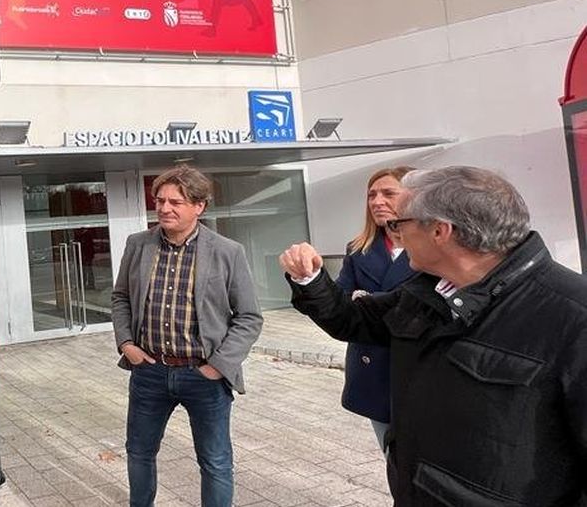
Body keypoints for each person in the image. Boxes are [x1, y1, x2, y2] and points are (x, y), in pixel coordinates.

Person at [280, 166, 587, 505]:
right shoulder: (424, 292)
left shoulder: (573, 317)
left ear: (440, 231)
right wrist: (310, 279)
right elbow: (353, 320)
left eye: (400, 224)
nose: (395, 234)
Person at [111, 165, 262, 507]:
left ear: (199, 206)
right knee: (138, 452)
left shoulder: (227, 251)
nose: (164, 208)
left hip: (204, 375)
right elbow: (120, 297)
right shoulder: (138, 245)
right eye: (160, 200)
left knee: (215, 462)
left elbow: (249, 317)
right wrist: (127, 344)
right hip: (149, 370)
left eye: (175, 202)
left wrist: (218, 367)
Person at [336, 166, 416, 452]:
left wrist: (368, 300)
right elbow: (340, 306)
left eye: (388, 193)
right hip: (375, 371)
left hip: (419, 366)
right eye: (372, 194)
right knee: (392, 457)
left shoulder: (434, 248)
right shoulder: (358, 249)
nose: (376, 201)